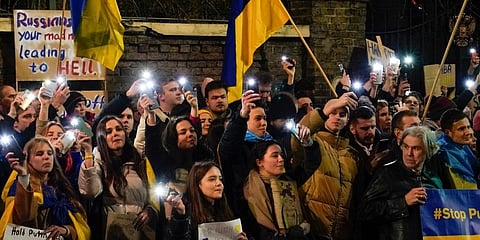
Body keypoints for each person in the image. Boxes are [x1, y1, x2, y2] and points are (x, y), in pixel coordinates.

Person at [78, 115, 157, 239]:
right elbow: (91, 192)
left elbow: (152, 192)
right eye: (108, 132)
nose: (115, 134)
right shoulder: (98, 162)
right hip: (111, 231)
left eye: (118, 129)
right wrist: (88, 152)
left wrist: (150, 210)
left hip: (139, 231)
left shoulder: (139, 161)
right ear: (101, 138)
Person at [0, 137, 90, 240]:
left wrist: (66, 230)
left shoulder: (62, 189)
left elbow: (81, 226)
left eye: (50, 153)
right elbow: (22, 216)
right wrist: (23, 175)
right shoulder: (20, 186)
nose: (46, 157)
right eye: (39, 154)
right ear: (28, 160)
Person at [360, 126, 440, 240]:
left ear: (428, 151)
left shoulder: (434, 177)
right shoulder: (387, 173)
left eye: (416, 148)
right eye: (406, 147)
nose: (409, 153)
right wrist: (403, 202)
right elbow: (365, 210)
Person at [243, 140, 315, 240]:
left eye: (281, 155)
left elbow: (310, 165)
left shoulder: (288, 180)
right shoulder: (249, 191)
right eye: (275, 156)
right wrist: (297, 232)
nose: (281, 159)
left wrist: (309, 143)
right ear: (259, 162)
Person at [166, 161, 247, 240]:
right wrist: (181, 216)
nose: (219, 183)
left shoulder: (227, 209)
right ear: (198, 184)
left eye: (220, 179)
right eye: (212, 179)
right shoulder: (185, 211)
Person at [425, 109, 479, 189]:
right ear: (447, 132)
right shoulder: (442, 154)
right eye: (461, 129)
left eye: (468, 127)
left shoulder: (462, 145)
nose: (468, 132)